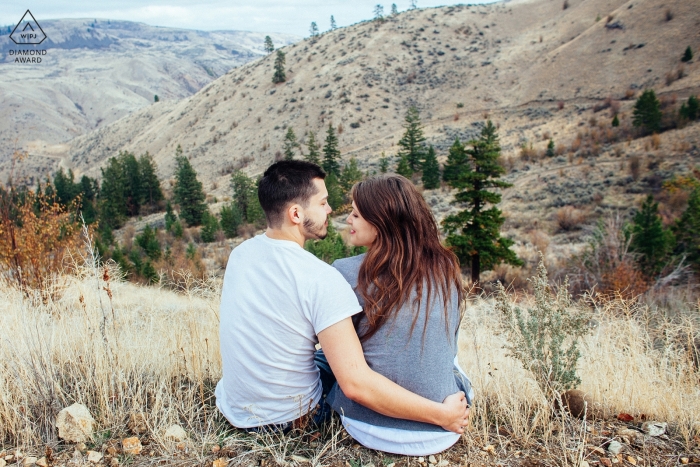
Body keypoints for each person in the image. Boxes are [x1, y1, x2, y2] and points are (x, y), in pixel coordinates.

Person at [215, 160, 469, 433]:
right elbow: (355, 384)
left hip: (233, 407)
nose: (331, 210)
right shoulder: (322, 277)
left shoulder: (240, 254)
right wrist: (443, 415)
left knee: (325, 355)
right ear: (297, 214)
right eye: (323, 203)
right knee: (341, 361)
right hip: (291, 419)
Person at [327, 174, 474, 455]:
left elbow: (352, 379)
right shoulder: (446, 269)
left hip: (369, 427)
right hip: (443, 431)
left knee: (326, 358)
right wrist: (443, 413)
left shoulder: (344, 272)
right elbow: (449, 349)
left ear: (380, 222)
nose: (349, 221)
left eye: (356, 215)